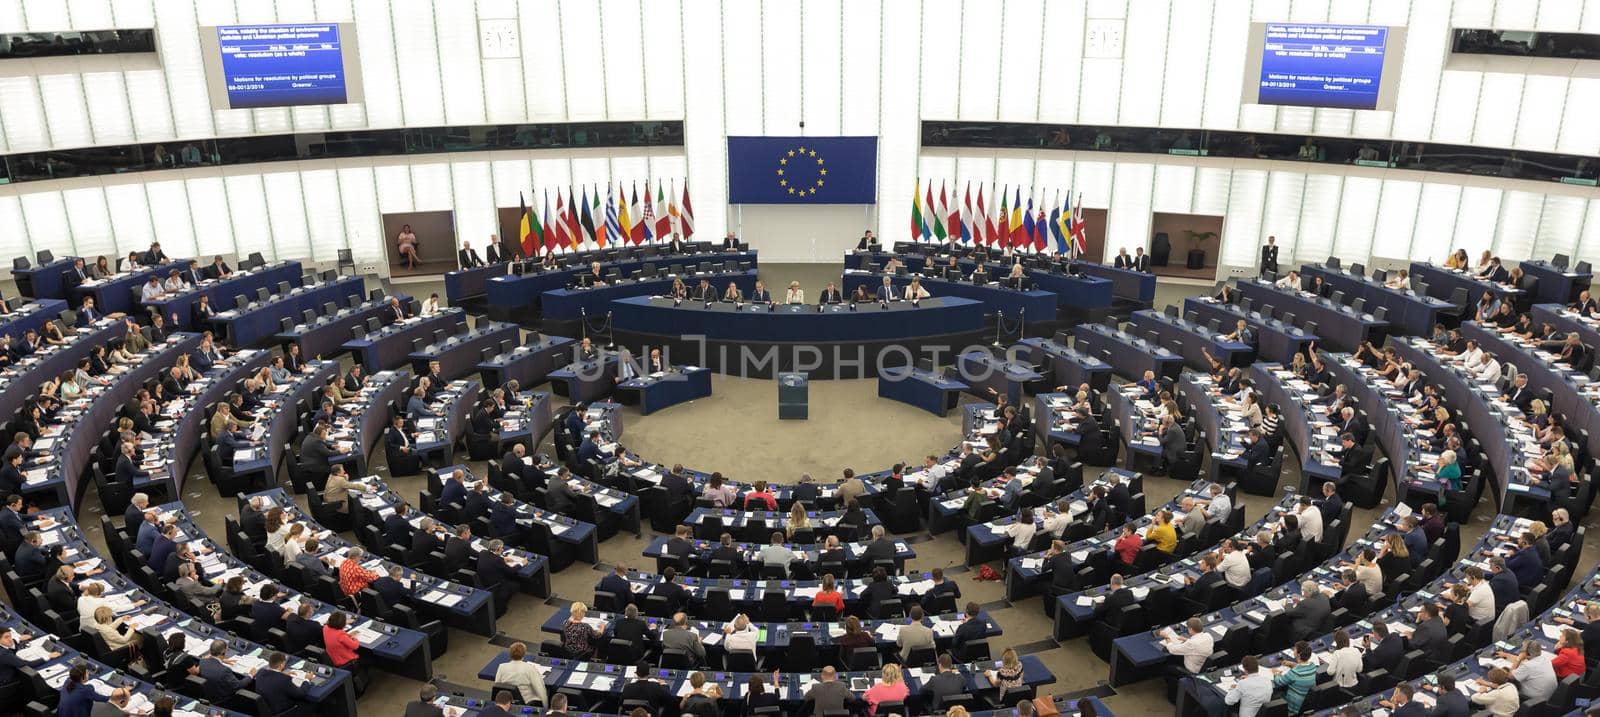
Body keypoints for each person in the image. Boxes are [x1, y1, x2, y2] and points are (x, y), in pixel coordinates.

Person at [1271, 641, 1318, 714]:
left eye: (1295, 649)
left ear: (1298, 655)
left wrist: (1276, 673)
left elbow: (1279, 682)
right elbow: (1303, 668)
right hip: (1304, 702)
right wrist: (1292, 664)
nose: (1293, 651)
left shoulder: (1295, 673)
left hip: (1292, 708)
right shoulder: (1312, 666)